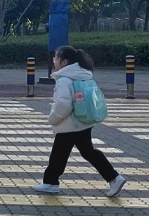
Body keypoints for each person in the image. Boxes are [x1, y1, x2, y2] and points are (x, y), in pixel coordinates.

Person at [37, 45, 127, 197]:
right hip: (83, 121)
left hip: (70, 124)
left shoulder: (65, 80)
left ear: (64, 62)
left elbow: (64, 104)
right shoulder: (83, 75)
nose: (54, 60)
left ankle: (50, 183)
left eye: (56, 58)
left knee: (60, 154)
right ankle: (113, 178)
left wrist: (52, 118)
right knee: (84, 152)